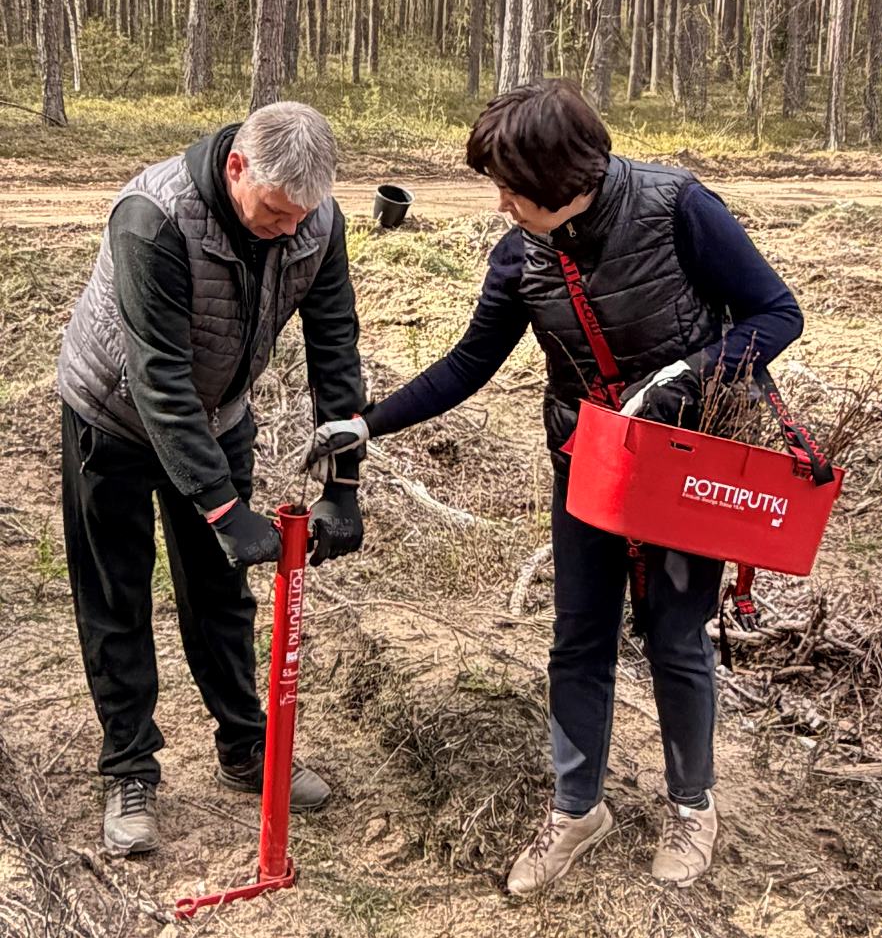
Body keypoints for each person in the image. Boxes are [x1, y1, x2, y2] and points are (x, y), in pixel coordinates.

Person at [305, 80, 804, 893]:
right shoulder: (521, 254)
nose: (501, 203)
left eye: (513, 186)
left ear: (563, 176)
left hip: (685, 463)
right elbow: (470, 362)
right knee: (578, 637)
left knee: (675, 635)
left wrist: (683, 376)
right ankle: (577, 810)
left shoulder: (677, 207)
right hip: (589, 462)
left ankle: (693, 808)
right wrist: (369, 424)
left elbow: (776, 314)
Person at [58, 101, 365, 857]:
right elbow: (158, 379)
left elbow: (334, 346)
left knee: (221, 592)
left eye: (303, 215)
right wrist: (224, 508)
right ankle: (129, 768)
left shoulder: (314, 222)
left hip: (219, 415)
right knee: (117, 592)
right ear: (236, 168)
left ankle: (245, 748)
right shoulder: (152, 217)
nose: (290, 229)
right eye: (276, 212)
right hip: (114, 419)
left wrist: (343, 483)